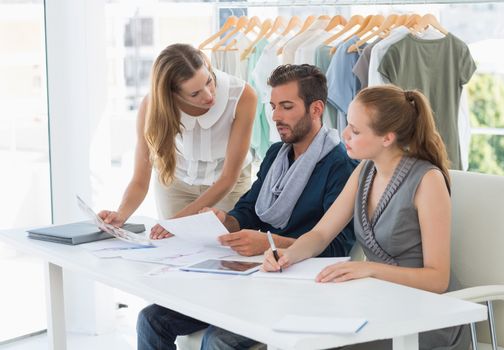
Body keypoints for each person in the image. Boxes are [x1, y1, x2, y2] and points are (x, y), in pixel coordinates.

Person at [136, 64, 358, 350]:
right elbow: (250, 208)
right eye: (274, 106)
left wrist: (268, 242)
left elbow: (338, 249)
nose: (276, 116)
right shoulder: (277, 154)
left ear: (316, 109)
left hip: (299, 288)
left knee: (217, 341)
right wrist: (224, 221)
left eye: (287, 106)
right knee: (151, 318)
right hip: (254, 277)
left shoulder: (340, 166)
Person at [262, 85, 470, 350]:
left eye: (356, 131)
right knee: (293, 335)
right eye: (348, 125)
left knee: (320, 343)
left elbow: (437, 279)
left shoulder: (428, 181)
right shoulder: (364, 171)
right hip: (381, 303)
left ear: (387, 138)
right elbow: (321, 234)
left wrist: (369, 269)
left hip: (428, 316)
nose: (345, 134)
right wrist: (287, 255)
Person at [98, 44, 257, 237]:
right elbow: (140, 180)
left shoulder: (242, 96)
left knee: (227, 248)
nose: (208, 95)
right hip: (177, 184)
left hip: (227, 185)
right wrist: (121, 215)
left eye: (208, 81)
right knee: (176, 251)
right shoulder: (152, 106)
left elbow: (228, 178)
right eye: (194, 93)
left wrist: (178, 222)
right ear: (172, 94)